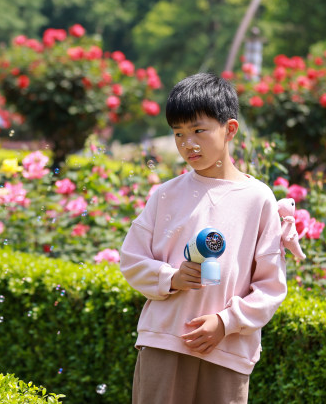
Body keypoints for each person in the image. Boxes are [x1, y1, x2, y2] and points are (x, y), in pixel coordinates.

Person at [120, 72, 287, 404]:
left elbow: (271, 286)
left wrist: (226, 322)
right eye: (178, 134)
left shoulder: (259, 199)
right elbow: (131, 260)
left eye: (198, 130)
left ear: (230, 129)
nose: (187, 144)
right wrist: (172, 278)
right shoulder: (165, 195)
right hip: (163, 342)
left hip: (227, 351)